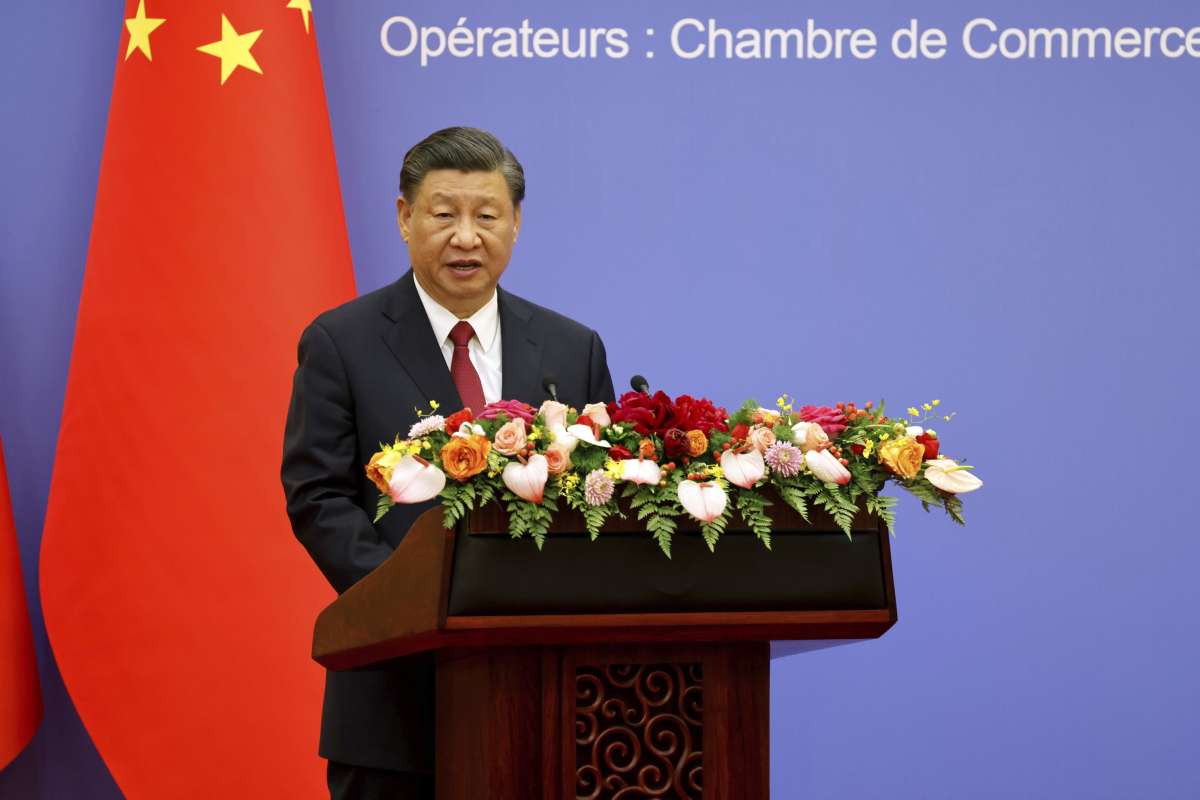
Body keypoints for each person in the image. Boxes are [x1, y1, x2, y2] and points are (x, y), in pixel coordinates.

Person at [280, 127, 616, 799]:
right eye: (443, 214)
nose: (466, 237)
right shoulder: (341, 342)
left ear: (516, 223)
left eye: (486, 216)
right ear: (405, 218)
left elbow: (601, 493)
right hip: (392, 694)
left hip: (548, 696)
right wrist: (409, 602)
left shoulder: (571, 348)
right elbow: (317, 495)